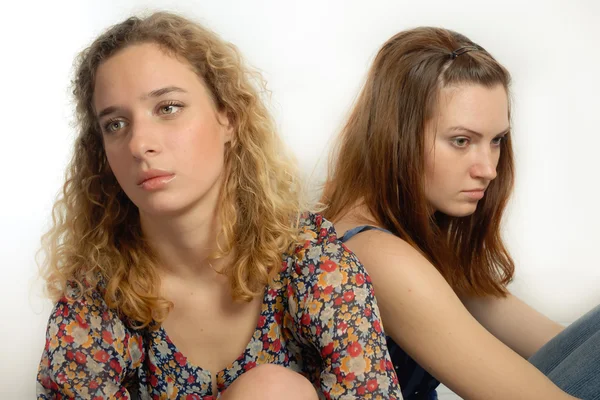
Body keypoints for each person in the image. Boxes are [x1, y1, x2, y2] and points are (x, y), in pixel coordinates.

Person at [36, 12, 401, 399]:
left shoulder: (313, 265)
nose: (139, 144)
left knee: (271, 391)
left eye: (168, 108)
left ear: (228, 117)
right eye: (115, 124)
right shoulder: (97, 297)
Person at [322, 27, 600, 400]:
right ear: (396, 137)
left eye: (497, 140)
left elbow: (565, 345)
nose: (488, 168)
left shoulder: (420, 240)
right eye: (461, 141)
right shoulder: (377, 256)